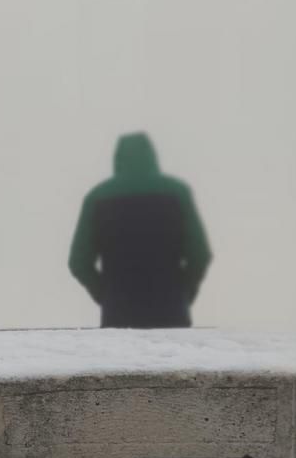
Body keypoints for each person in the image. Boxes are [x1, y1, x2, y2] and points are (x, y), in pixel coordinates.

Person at [69, 132, 211, 329]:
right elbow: (200, 255)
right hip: (171, 309)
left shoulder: (97, 198)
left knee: (127, 360)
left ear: (117, 159)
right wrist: (184, 293)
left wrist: (105, 294)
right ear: (153, 156)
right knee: (172, 359)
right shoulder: (178, 193)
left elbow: (78, 262)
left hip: (119, 313)